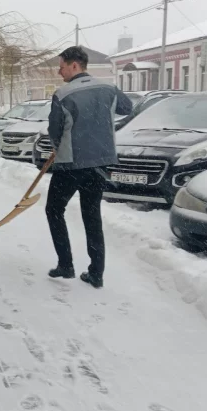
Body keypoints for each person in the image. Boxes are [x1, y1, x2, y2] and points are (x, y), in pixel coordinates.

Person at [45, 46, 133, 289]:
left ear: (74, 65)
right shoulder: (109, 88)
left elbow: (55, 130)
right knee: (91, 216)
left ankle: (66, 264)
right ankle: (96, 273)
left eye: (61, 66)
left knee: (53, 210)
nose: (59, 71)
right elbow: (127, 108)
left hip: (71, 165)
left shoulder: (63, 94)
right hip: (100, 163)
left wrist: (57, 148)